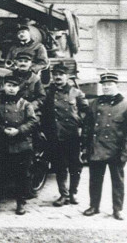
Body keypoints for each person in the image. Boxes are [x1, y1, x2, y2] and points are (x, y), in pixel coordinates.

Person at [0, 75, 37, 215]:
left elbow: (32, 121)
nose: (11, 89)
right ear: (4, 86)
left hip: (21, 144)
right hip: (1, 143)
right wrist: (2, 130)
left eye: (14, 86)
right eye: (9, 85)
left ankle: (20, 203)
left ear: (18, 88)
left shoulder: (25, 104)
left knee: (21, 175)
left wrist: (18, 130)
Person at [43, 63, 88, 207]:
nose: (57, 77)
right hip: (55, 135)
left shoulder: (76, 93)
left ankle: (73, 193)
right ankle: (64, 195)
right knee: (59, 166)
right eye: (55, 74)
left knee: (75, 166)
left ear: (67, 76)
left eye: (61, 74)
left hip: (73, 135)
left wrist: (80, 126)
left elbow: (86, 112)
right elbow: (43, 112)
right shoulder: (48, 93)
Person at [83, 72, 127, 220]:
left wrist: (124, 153)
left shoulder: (124, 105)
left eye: (110, 84)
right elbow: (87, 127)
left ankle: (117, 209)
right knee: (95, 179)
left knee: (118, 181)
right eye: (104, 85)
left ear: (117, 85)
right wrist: (85, 147)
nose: (106, 87)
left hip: (116, 149)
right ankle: (94, 206)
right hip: (96, 147)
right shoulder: (94, 103)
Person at [10, 51, 47, 116]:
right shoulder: (9, 76)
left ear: (31, 63)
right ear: (16, 63)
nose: (23, 63)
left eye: (26, 61)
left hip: (29, 110)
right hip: (11, 110)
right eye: (20, 61)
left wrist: (30, 106)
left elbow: (42, 97)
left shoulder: (35, 79)